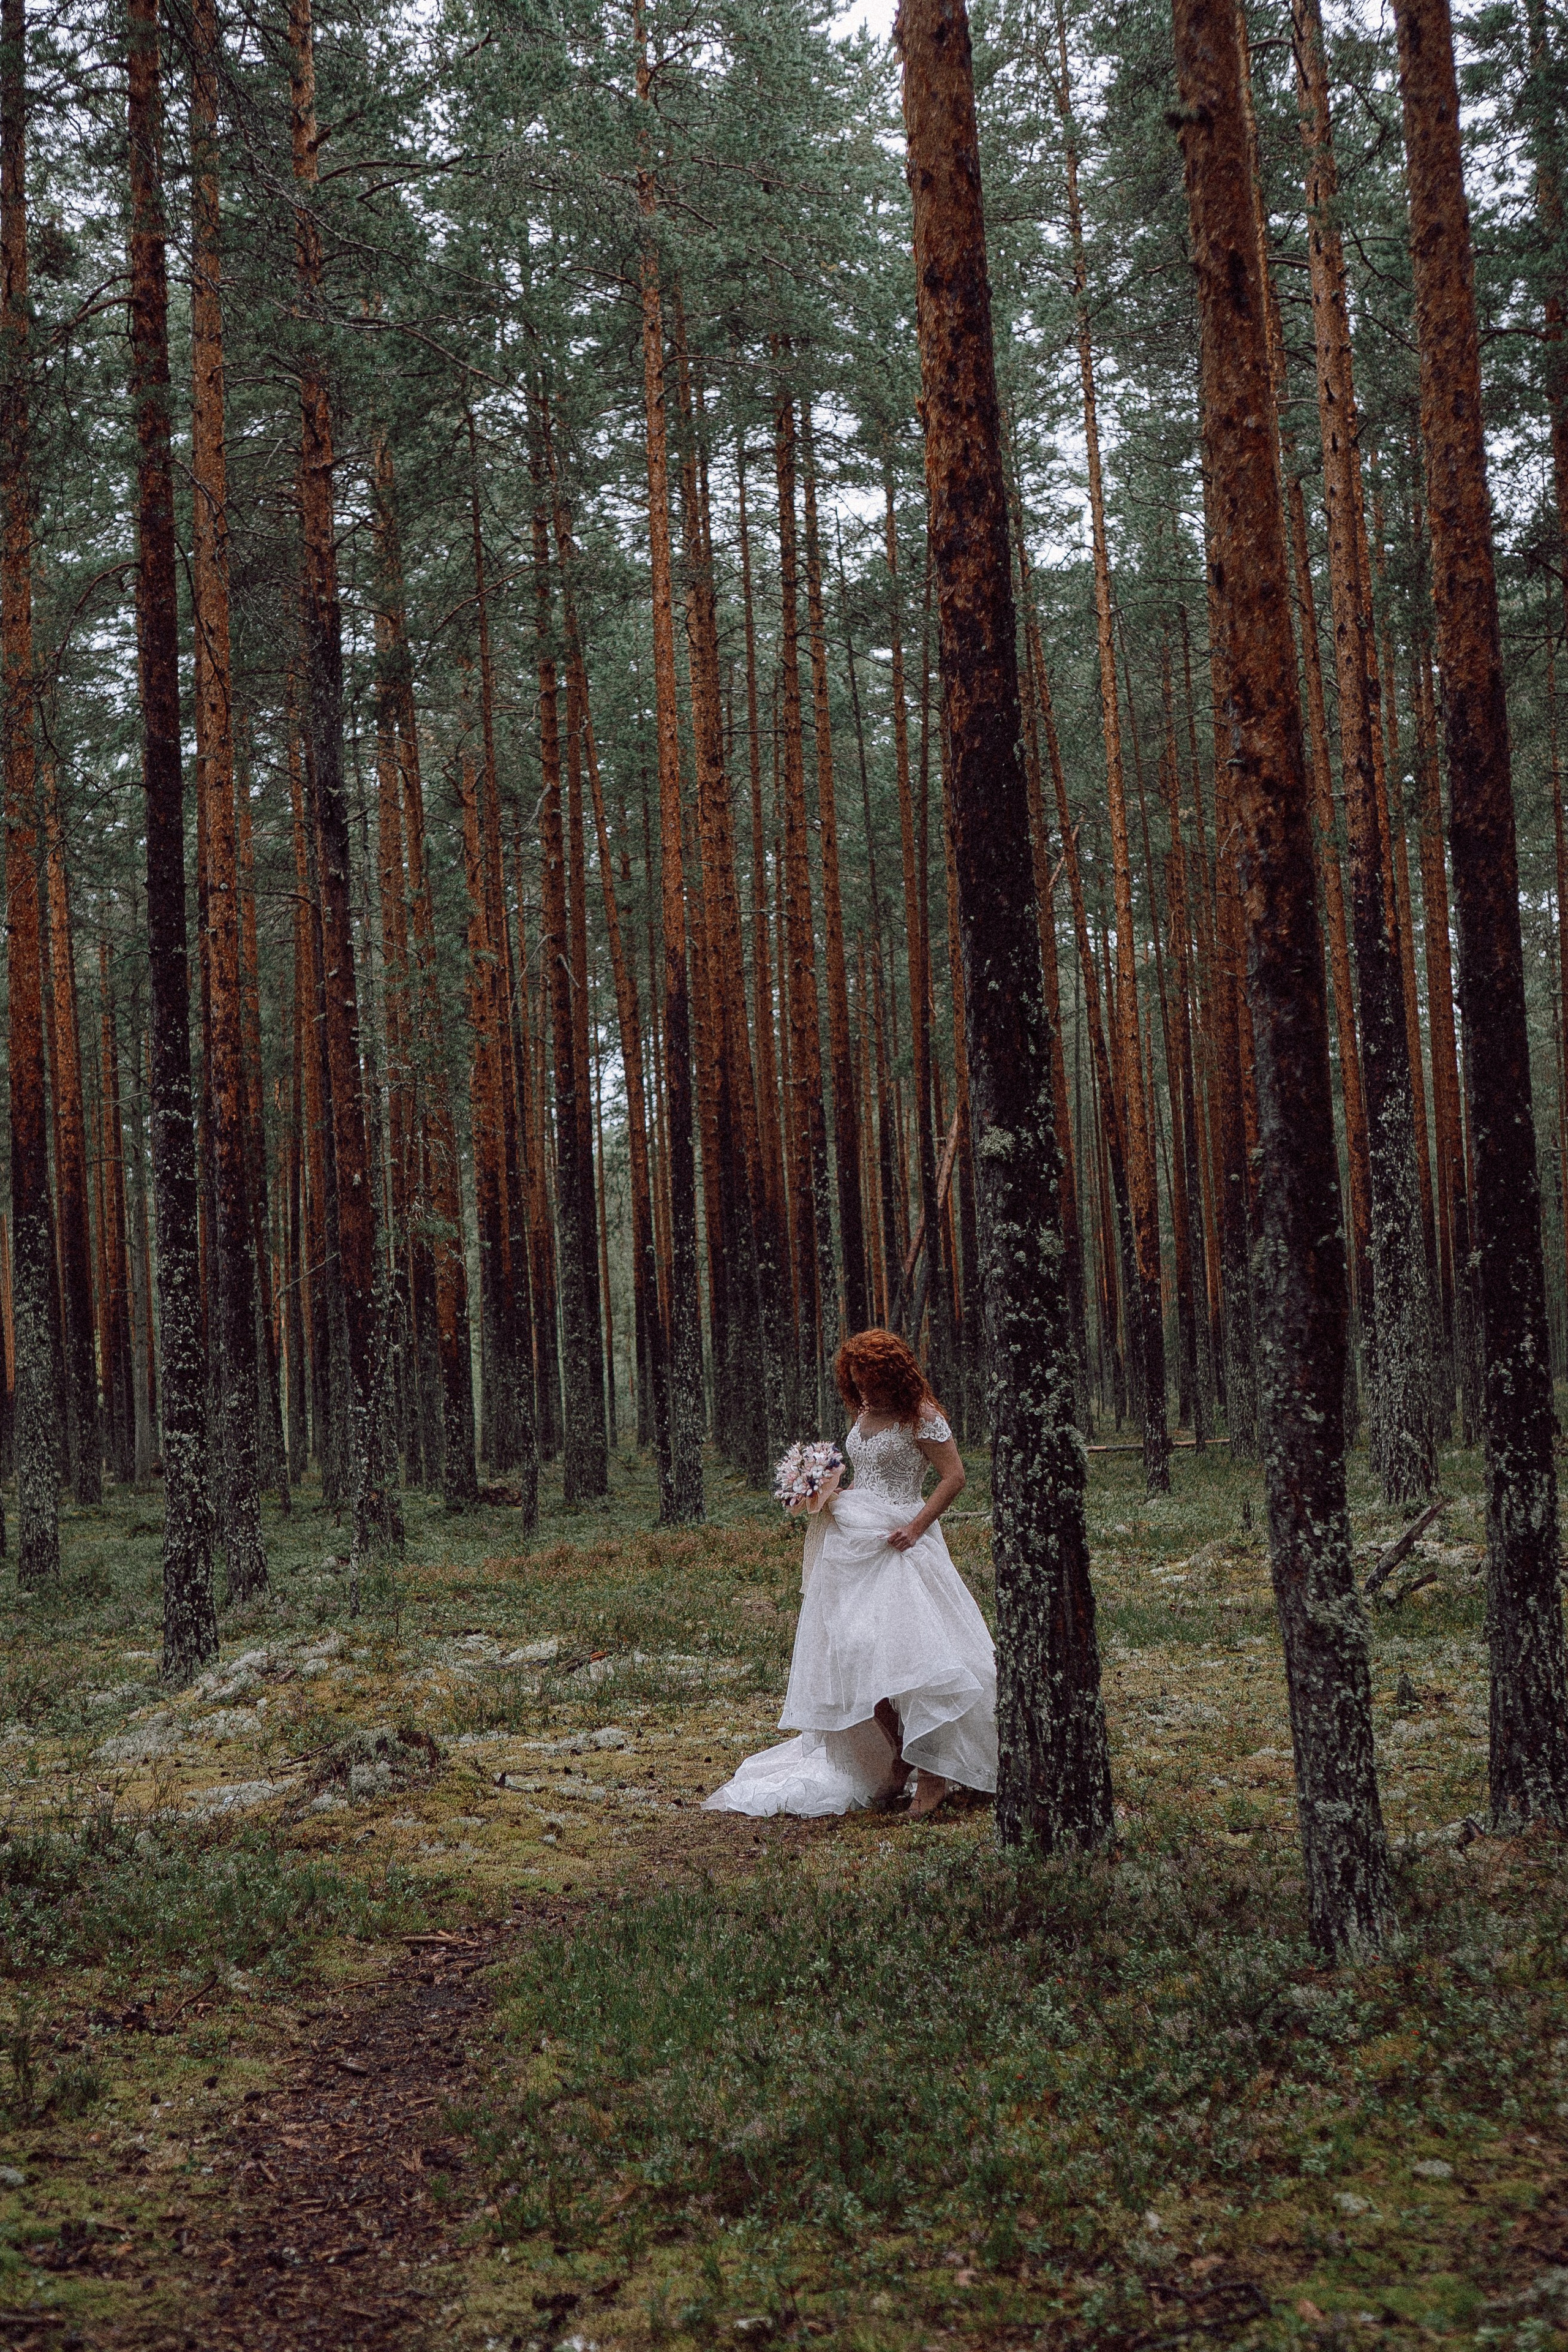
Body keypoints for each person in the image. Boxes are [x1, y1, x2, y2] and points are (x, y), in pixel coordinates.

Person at [704, 1328, 998, 1823]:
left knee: (918, 1657)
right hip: (857, 1537)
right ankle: (900, 1752)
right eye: (855, 1379)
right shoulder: (864, 1413)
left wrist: (916, 1527)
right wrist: (823, 1492)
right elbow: (868, 1473)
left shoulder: (922, 1417)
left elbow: (955, 1477)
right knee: (858, 1654)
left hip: (904, 1540)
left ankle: (934, 1778)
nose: (862, 1389)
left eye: (870, 1379)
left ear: (892, 1374)